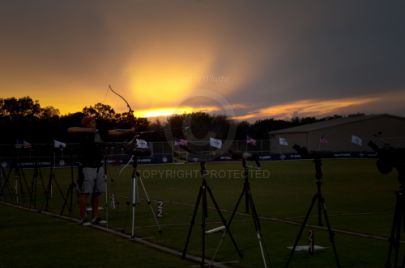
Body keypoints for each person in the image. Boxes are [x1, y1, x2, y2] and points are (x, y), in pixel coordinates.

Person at [68, 115, 135, 226]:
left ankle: (95, 217)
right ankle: (83, 218)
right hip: (87, 166)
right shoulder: (82, 133)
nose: (95, 122)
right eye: (92, 121)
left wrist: (129, 131)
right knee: (85, 192)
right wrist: (89, 130)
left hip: (99, 165)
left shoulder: (100, 132)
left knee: (97, 192)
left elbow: (116, 132)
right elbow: (70, 129)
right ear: (87, 123)